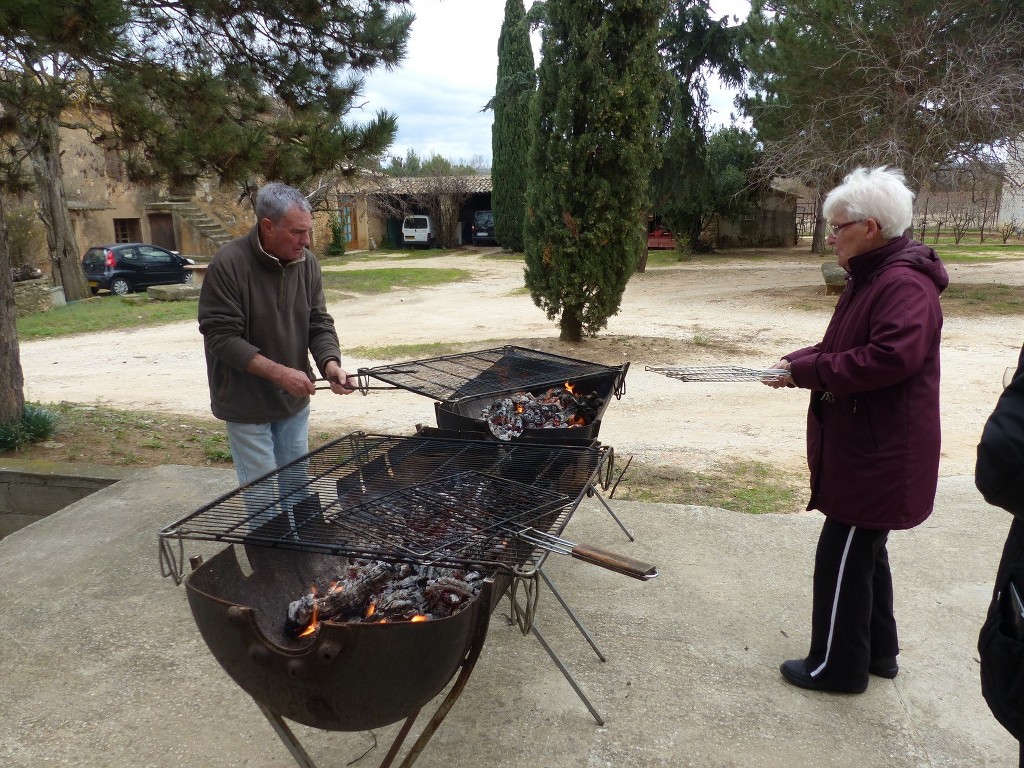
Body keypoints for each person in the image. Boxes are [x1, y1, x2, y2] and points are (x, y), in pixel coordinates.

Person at [762, 166, 948, 693]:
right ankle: (877, 654)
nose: (831, 236)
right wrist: (794, 362)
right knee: (866, 550)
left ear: (869, 228)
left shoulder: (902, 283)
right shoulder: (870, 277)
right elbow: (841, 346)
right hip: (869, 444)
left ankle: (836, 668)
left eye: (838, 226)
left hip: (881, 451)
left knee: (843, 549)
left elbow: (890, 358)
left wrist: (808, 373)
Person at [198, 181, 357, 487]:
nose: (306, 241)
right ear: (268, 226)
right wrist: (282, 374)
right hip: (246, 404)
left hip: (293, 401)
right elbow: (220, 338)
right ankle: (265, 536)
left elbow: (318, 322)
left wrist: (330, 364)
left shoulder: (307, 264)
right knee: (263, 492)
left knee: (296, 482)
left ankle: (297, 536)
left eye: (307, 230)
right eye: (297, 232)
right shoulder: (228, 265)